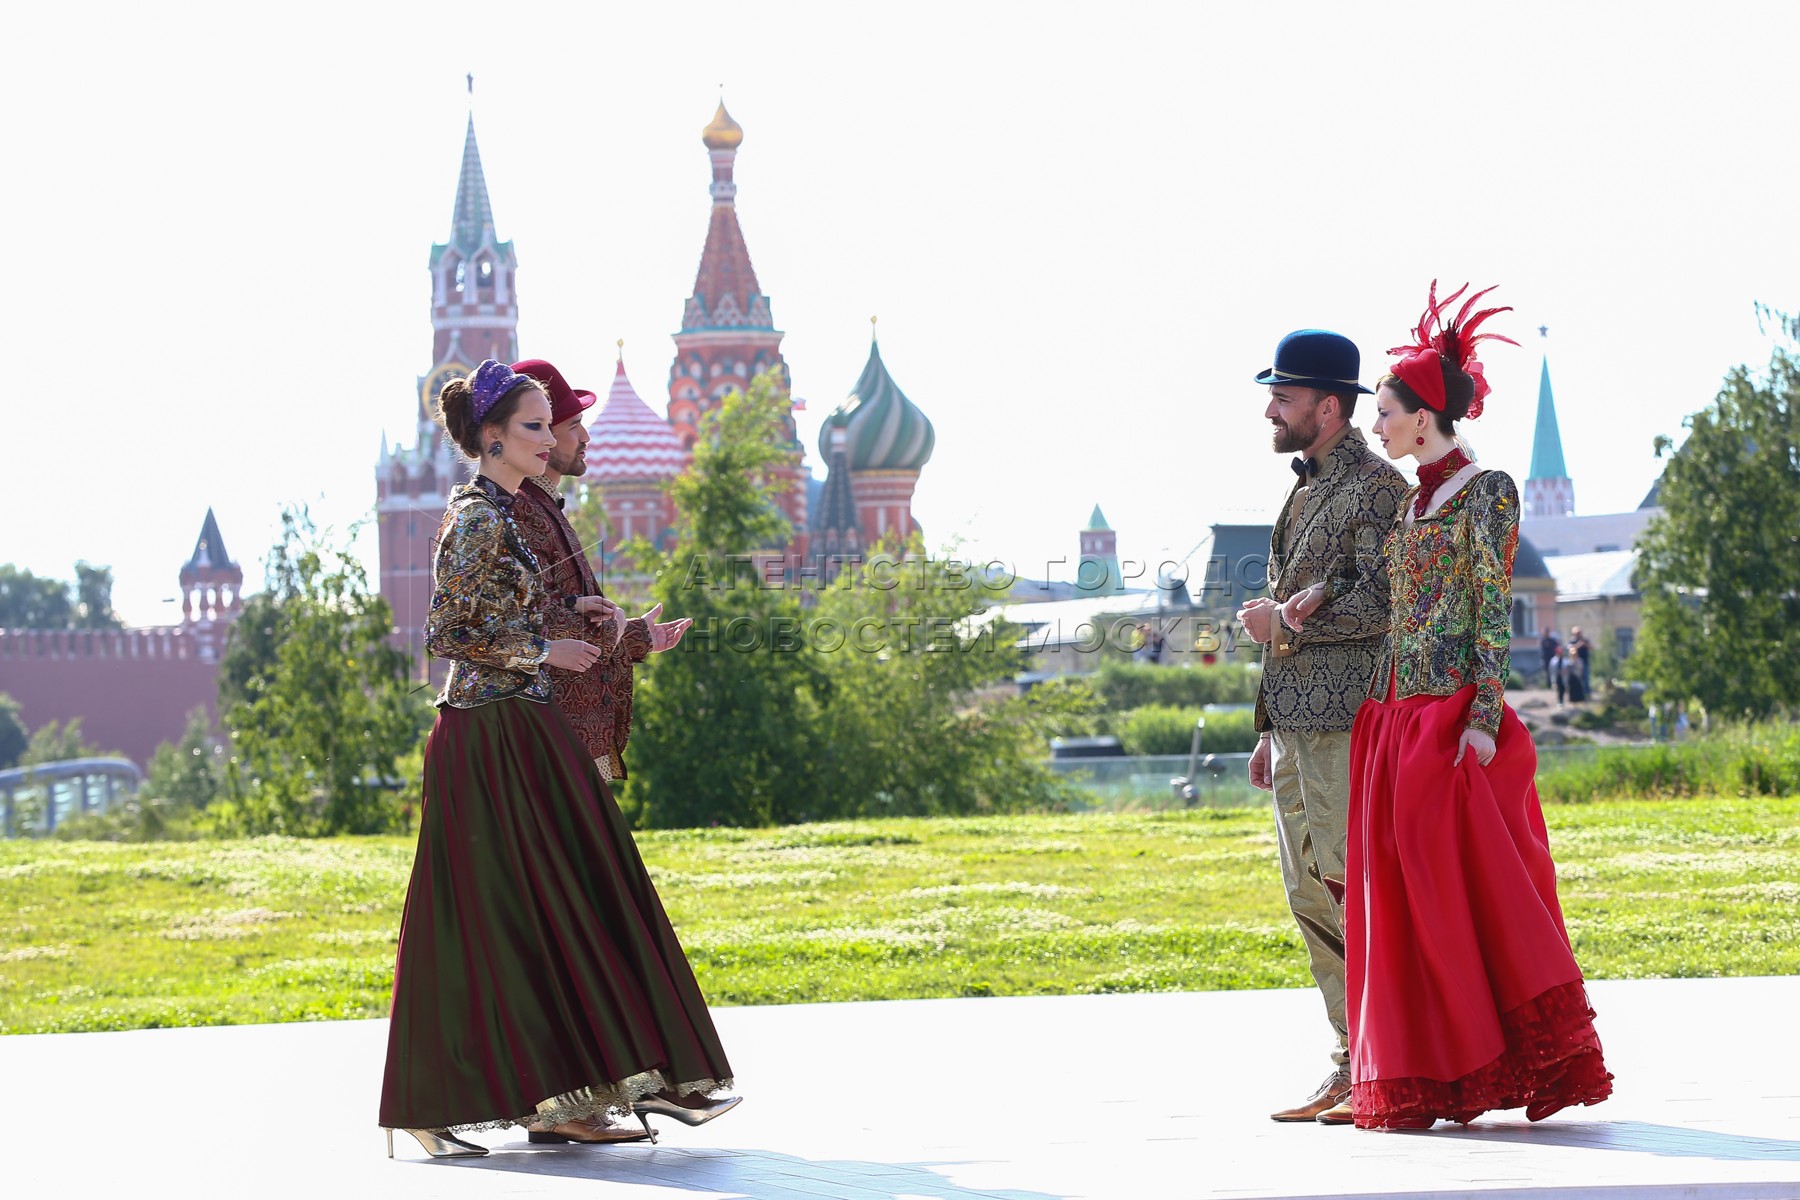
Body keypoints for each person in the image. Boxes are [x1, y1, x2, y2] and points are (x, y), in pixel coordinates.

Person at [379, 360, 738, 1159]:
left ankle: (565, 1092)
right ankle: (455, 1100)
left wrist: (575, 612)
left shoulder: (505, 513)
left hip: (519, 725)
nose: (551, 440)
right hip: (488, 734)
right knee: (504, 913)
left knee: (545, 910)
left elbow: (504, 609)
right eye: (534, 426)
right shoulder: (476, 517)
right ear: (491, 436)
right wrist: (547, 649)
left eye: (550, 426)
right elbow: (447, 632)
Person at [1294, 283, 1611, 1130]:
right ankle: (1421, 1071)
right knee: (1397, 900)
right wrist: (1320, 597)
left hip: (1451, 719)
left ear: (1424, 418)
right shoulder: (1409, 502)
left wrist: (1482, 717)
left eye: (1386, 413)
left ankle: (1481, 1059)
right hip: (1393, 717)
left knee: (1458, 896)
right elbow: (1391, 602)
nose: (1376, 427)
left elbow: (1492, 609)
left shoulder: (1487, 491)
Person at [1236, 329, 1408, 1123]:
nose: (1271, 410)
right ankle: (1352, 1059)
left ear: (1328, 407)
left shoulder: (1378, 488)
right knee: (1308, 892)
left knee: (1351, 892)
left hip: (1346, 725)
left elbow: (1385, 603)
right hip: (1295, 728)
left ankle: (1381, 1063)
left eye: (1284, 396)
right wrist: (1267, 729)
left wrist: (1284, 623)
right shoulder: (1305, 486)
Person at [510, 357, 690, 782]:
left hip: (564, 734)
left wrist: (633, 637)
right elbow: (525, 622)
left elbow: (557, 618)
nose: (586, 437)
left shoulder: (545, 507)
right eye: (574, 426)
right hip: (546, 736)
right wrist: (615, 627)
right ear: (537, 435)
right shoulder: (522, 510)